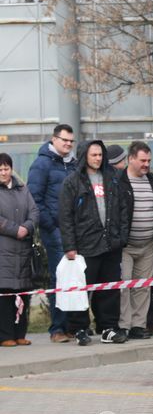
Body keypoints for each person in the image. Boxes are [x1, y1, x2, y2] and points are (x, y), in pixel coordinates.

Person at [59, 140, 129, 346]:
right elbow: (65, 217)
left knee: (110, 290)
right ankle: (79, 328)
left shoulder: (113, 179)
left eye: (100, 155)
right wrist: (70, 246)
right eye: (94, 155)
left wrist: (121, 237)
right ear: (84, 157)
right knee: (82, 290)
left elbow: (123, 209)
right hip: (85, 246)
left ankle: (108, 328)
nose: (98, 158)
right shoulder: (72, 182)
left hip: (111, 245)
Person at [26, 123, 77, 343]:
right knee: (60, 278)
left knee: (76, 278)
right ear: (54, 139)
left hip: (75, 231)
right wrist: (51, 225)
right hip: (55, 231)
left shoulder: (73, 165)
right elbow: (34, 198)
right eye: (64, 140)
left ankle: (73, 326)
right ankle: (57, 328)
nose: (68, 144)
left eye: (70, 141)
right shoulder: (42, 164)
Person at [118, 142, 153, 341]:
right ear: (131, 159)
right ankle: (124, 326)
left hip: (147, 245)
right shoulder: (119, 182)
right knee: (124, 287)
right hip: (125, 246)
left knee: (143, 288)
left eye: (149, 161)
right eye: (142, 160)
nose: (146, 165)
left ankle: (139, 325)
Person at [0, 153, 39, 347]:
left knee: (23, 293)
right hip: (4, 252)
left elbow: (34, 211)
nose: (3, 172)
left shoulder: (23, 189)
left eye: (6, 168)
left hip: (23, 252)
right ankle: (5, 335)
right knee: (5, 295)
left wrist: (28, 227)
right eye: (0, 169)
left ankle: (20, 333)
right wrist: (17, 230)